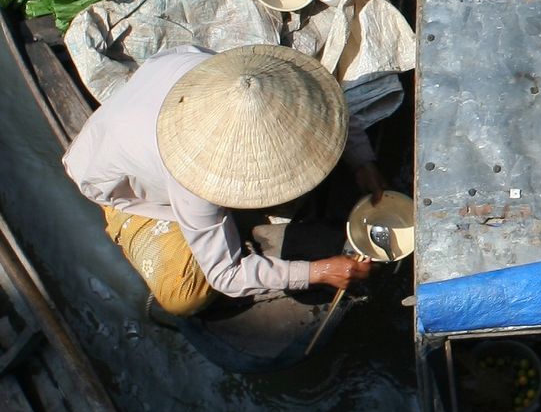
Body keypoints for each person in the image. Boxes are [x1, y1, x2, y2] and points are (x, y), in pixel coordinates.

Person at [62, 45, 377, 317]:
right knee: (183, 298)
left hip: (141, 121)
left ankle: (237, 225)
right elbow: (225, 275)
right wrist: (319, 272)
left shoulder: (246, 76)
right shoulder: (191, 177)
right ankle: (207, 228)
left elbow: (328, 107)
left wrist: (364, 163)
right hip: (122, 181)